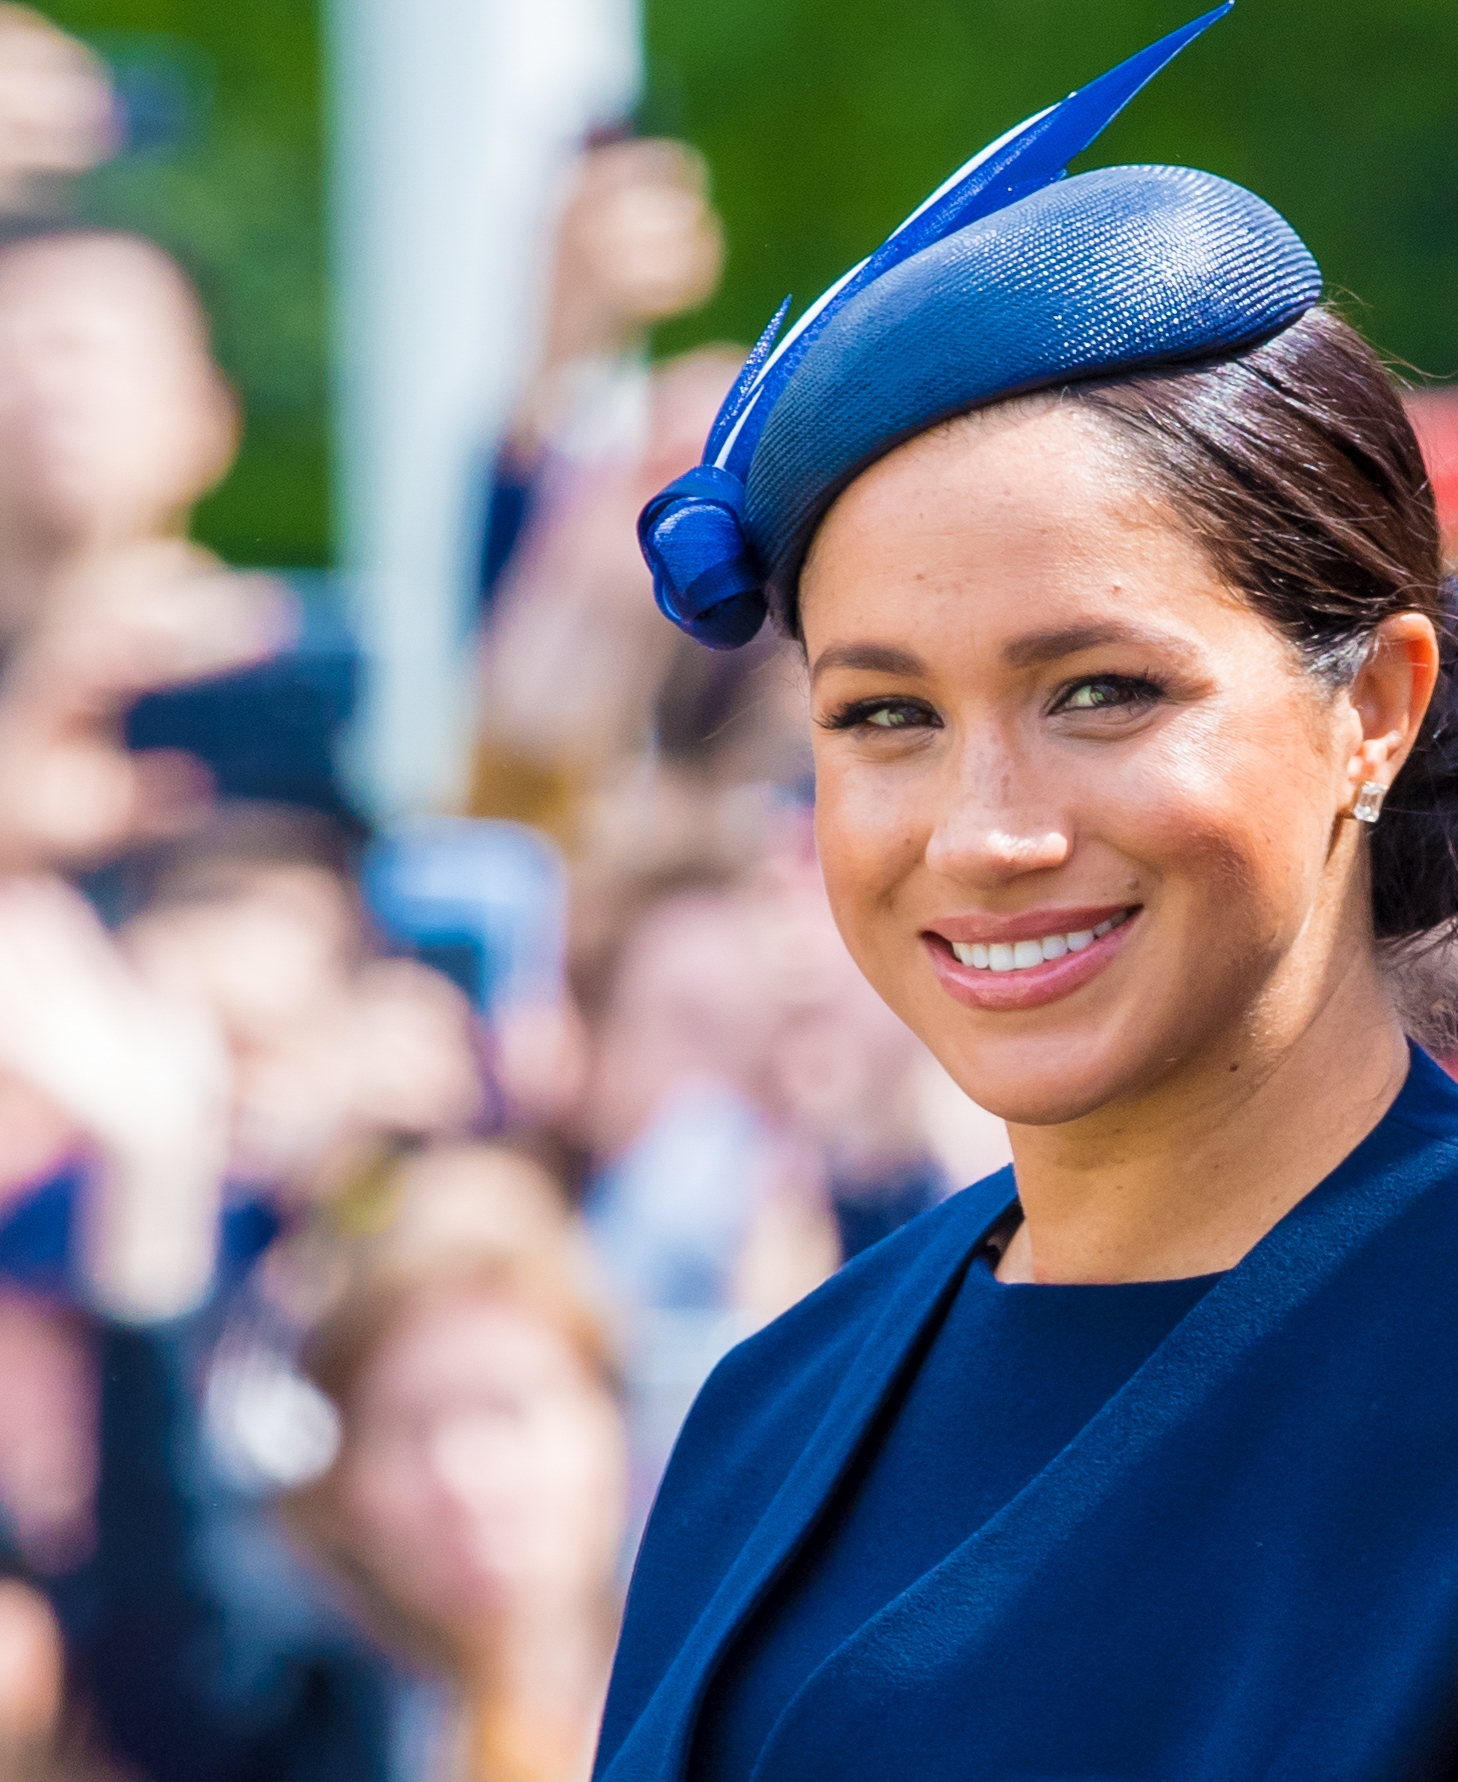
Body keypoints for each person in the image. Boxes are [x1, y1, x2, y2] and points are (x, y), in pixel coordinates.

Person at [598, 10, 1458, 1781]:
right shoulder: (771, 1405)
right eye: (884, 715)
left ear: (1371, 705)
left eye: (1100, 692)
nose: (985, 833)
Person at [288, 1233, 628, 1782]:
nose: (462, 1480)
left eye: (506, 1409)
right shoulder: (300, 1725)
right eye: (409, 1426)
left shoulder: (737, 1701)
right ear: (345, 1484)